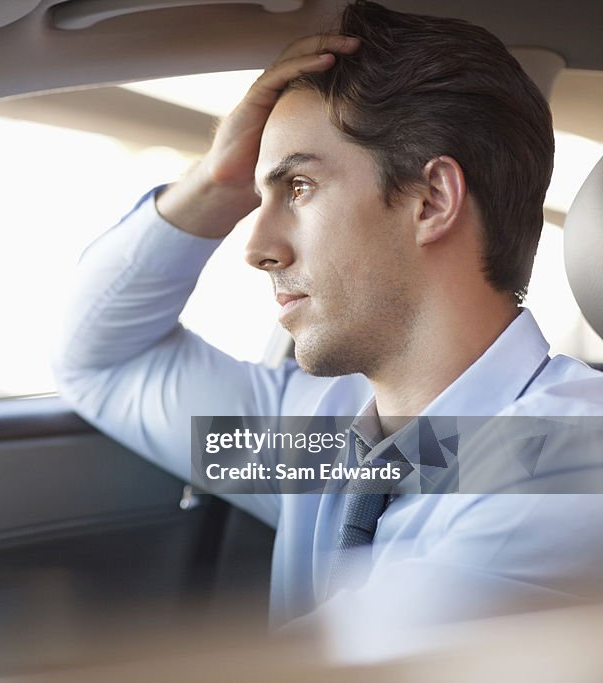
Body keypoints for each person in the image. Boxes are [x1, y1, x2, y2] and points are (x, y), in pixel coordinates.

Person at [52, 0, 603, 657]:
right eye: (257, 199)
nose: (255, 245)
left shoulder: (565, 466)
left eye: (300, 187)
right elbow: (102, 363)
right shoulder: (322, 433)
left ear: (431, 200)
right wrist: (214, 182)